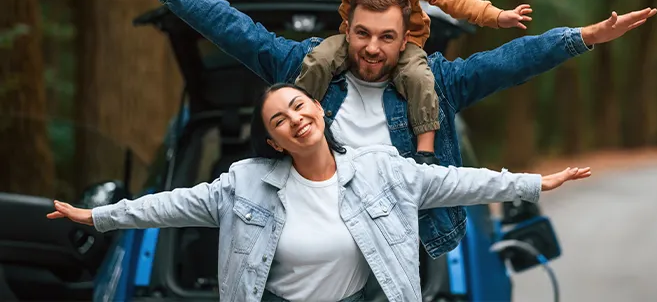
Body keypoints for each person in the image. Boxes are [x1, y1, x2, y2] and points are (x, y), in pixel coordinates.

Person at [88, 0, 656, 259]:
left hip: (398, 253)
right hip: (300, 248)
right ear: (347, 28)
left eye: (388, 37)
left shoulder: (437, 81)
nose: (373, 48)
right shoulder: (305, 73)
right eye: (362, 34)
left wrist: (583, 37)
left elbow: (513, 60)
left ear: (407, 35)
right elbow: (231, 27)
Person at [48, 83, 591, 302]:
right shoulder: (243, 184)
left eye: (300, 106)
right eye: (280, 120)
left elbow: (454, 181)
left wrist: (536, 182)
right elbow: (169, 205)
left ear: (319, 112)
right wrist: (98, 218)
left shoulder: (382, 169)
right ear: (274, 141)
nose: (295, 119)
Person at [224, 0, 533, 164]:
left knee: (419, 77)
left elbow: (454, 0)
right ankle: (310, 124)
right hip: (352, 40)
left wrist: (497, 16)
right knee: (318, 58)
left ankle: (426, 148)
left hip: (405, 43)